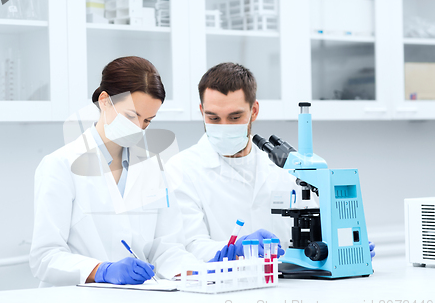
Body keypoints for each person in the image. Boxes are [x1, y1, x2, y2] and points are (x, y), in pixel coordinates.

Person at [166, 62, 376, 261]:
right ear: (202, 112)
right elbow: (191, 245)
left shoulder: (286, 167)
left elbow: (320, 226)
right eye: (213, 118)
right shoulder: (181, 169)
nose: (224, 126)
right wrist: (238, 247)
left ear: (254, 111)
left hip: (291, 287)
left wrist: (344, 243)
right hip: (223, 288)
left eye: (235, 117)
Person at [29, 56, 199, 287]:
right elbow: (44, 257)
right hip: (77, 302)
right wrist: (102, 271)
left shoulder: (152, 167)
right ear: (105, 101)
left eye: (148, 121)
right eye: (131, 116)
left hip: (137, 300)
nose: (139, 128)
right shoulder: (61, 165)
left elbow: (167, 247)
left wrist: (197, 272)